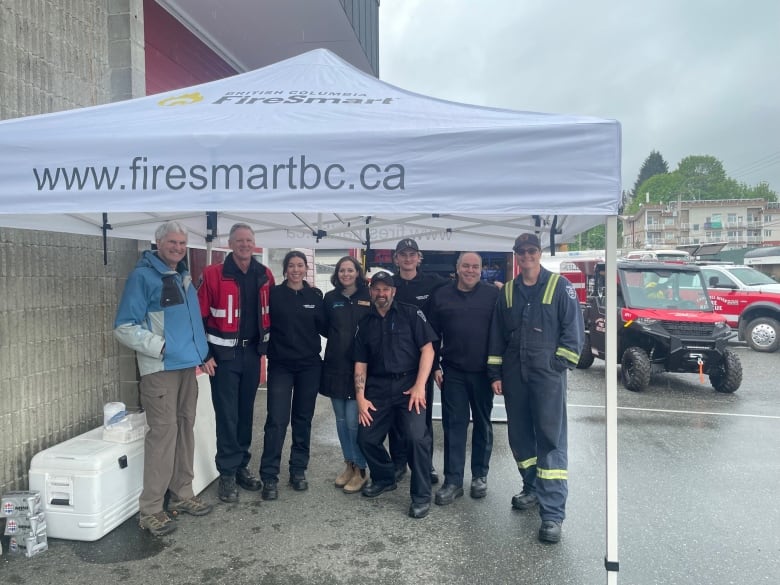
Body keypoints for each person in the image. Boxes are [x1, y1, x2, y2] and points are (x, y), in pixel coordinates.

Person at [114, 221, 214, 536]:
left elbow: (190, 324)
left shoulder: (182, 276)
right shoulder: (142, 277)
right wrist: (161, 347)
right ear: (157, 243)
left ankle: (182, 494)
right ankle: (151, 509)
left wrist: (203, 354)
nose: (178, 248)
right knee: (163, 435)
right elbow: (124, 326)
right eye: (172, 242)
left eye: (183, 243)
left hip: (187, 367)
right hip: (160, 370)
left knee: (185, 428)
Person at [487, 233, 584, 544]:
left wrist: (557, 365)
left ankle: (553, 515)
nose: (526, 256)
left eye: (531, 251)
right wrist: (495, 372)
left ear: (539, 253)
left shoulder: (560, 286)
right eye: (521, 251)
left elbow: (573, 332)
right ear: (516, 255)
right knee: (519, 437)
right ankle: (532, 488)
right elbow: (497, 336)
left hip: (547, 377)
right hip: (515, 376)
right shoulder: (509, 292)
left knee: (550, 439)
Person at [197, 223, 275, 503]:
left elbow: (272, 312)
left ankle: (241, 464)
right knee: (227, 415)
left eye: (249, 240)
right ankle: (227, 473)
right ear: (229, 244)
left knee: (245, 413)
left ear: (254, 244)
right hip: (224, 358)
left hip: (253, 355)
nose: (245, 245)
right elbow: (199, 317)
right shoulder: (213, 274)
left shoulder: (264, 274)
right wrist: (204, 355)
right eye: (239, 240)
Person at [353, 271, 438, 519]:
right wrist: (360, 398)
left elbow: (428, 350)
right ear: (371, 292)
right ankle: (384, 477)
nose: (382, 293)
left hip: (409, 386)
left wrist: (420, 385)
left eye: (386, 289)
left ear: (394, 291)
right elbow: (360, 363)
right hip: (377, 389)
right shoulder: (365, 322)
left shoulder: (412, 314)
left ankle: (421, 496)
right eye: (377, 289)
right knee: (366, 438)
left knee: (416, 438)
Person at [428, 252, 500, 506]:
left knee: (483, 424)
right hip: (453, 372)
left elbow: (500, 335)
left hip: (483, 373)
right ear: (457, 268)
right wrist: (434, 365)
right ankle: (453, 481)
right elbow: (432, 335)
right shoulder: (442, 295)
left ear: (482, 270)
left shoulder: (493, 295)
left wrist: (497, 372)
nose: (471, 270)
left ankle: (480, 476)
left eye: (476, 266)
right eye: (466, 266)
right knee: (453, 426)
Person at [259, 250, 326, 500]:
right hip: (281, 366)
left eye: (300, 265)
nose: (296, 269)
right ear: (285, 269)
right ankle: (269, 476)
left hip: (309, 366)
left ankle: (298, 470)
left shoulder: (314, 296)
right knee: (276, 420)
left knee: (303, 419)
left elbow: (326, 327)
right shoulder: (274, 295)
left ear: (306, 268)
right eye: (292, 265)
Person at [391, 238, 449, 484]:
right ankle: (398, 463)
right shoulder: (388, 284)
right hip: (393, 361)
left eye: (411, 254)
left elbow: (464, 286)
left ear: (419, 258)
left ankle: (424, 464)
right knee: (395, 417)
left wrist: (495, 287)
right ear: (396, 259)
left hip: (424, 363)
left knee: (421, 417)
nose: (407, 258)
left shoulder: (434, 282)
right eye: (402, 254)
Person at [320, 256, 372, 494]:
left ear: (357, 272)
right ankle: (349, 464)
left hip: (360, 368)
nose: (346, 274)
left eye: (350, 270)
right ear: (337, 274)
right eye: (342, 270)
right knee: (340, 421)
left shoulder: (368, 296)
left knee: (354, 422)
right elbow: (323, 327)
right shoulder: (330, 299)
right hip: (334, 366)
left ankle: (361, 468)